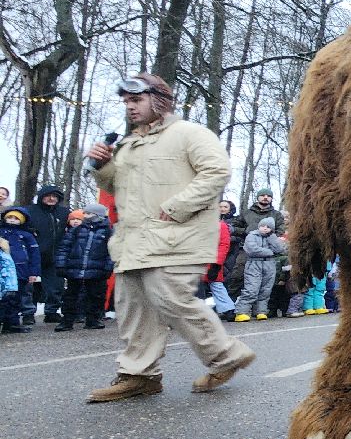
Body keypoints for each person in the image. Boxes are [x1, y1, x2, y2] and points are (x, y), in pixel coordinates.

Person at [84, 73, 257, 403]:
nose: (130, 107)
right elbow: (114, 187)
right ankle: (139, 375)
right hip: (133, 243)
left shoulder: (188, 133)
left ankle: (227, 356)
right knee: (133, 309)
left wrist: (178, 206)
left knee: (171, 299)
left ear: (159, 99)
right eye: (126, 101)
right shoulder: (128, 144)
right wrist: (103, 166)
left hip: (179, 238)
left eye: (136, 100)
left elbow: (217, 171)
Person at [55, 203, 112, 331]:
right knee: (70, 296)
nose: (85, 216)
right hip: (75, 269)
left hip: (97, 270)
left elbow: (112, 252)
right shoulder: (76, 230)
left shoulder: (108, 232)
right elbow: (64, 247)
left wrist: (108, 267)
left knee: (96, 296)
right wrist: (61, 264)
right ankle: (67, 320)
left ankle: (93, 320)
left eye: (88, 213)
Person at [24, 184, 69, 321]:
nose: (51, 199)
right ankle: (28, 314)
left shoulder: (64, 213)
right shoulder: (30, 211)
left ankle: (51, 312)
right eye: (48, 196)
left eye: (55, 196)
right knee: (29, 286)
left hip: (55, 255)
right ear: (41, 197)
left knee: (56, 286)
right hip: (32, 255)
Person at [0, 207, 41, 332]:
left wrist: (34, 273)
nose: (12, 220)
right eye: (10, 217)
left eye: (16, 218)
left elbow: (34, 255)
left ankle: (12, 323)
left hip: (21, 270)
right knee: (3, 298)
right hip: (3, 271)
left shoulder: (27, 235)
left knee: (16, 298)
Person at [236, 219, 284, 322]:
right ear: (259, 226)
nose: (265, 228)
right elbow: (252, 250)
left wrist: (272, 238)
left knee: (266, 290)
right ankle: (242, 312)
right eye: (263, 226)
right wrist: (270, 252)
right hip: (254, 264)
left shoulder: (273, 237)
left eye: (268, 227)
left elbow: (280, 249)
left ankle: (261, 311)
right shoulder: (251, 236)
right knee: (251, 288)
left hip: (269, 264)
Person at [203, 216, 237, 321]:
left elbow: (223, 245)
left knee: (216, 285)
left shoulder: (221, 226)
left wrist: (217, 264)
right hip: (197, 261)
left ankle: (228, 309)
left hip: (212, 262)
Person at [218, 199, 246, 300]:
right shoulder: (212, 220)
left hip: (231, 251)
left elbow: (243, 234)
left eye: (225, 207)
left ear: (230, 209)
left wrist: (231, 238)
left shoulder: (236, 220)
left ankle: (227, 301)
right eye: (220, 207)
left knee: (228, 275)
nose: (222, 209)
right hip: (214, 250)